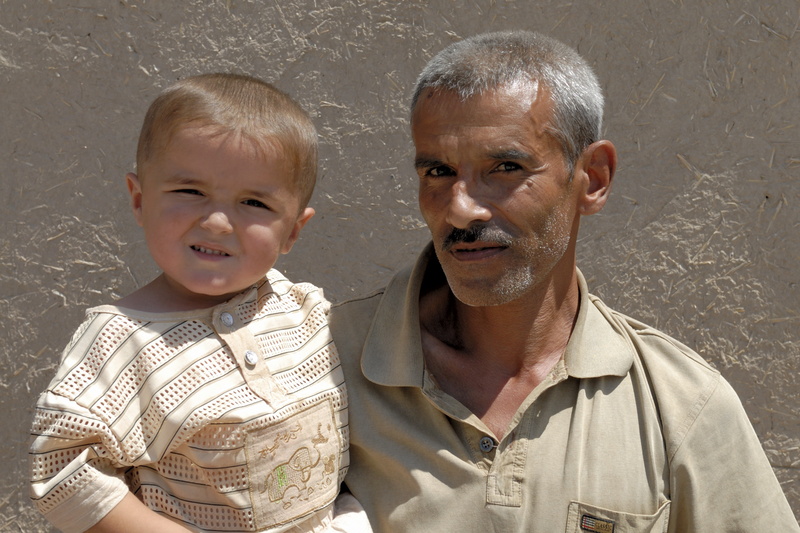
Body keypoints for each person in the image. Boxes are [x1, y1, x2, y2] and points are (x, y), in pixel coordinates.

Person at [330, 31, 799, 532]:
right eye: (439, 171)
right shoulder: (317, 370)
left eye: (505, 167)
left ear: (592, 178)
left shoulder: (681, 406)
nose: (461, 207)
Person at [29, 73, 371, 533]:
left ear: (292, 230)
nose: (215, 222)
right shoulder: (120, 341)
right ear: (139, 199)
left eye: (253, 202)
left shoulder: (304, 311)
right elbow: (63, 471)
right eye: (190, 192)